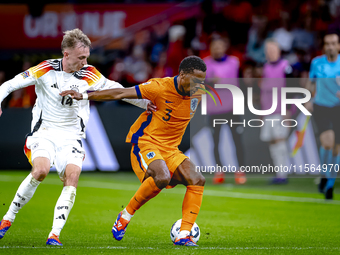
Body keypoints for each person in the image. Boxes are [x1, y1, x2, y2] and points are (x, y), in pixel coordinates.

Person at [0, 28, 153, 245]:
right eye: (81, 57)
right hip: (44, 133)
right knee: (41, 171)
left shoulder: (89, 73)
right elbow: (10, 84)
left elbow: (117, 89)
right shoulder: (45, 69)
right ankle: (8, 219)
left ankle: (54, 234)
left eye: (87, 57)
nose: (85, 62)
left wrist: (145, 103)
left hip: (71, 137)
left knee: (72, 178)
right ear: (66, 54)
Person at [61, 56, 207, 246]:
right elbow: (120, 93)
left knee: (197, 179)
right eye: (195, 80)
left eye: (201, 81)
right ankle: (125, 216)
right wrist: (86, 95)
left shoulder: (199, 93)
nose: (198, 84)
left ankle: (184, 235)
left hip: (171, 149)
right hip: (146, 142)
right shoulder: (159, 87)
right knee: (161, 177)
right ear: (182, 75)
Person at [203, 37, 246, 185]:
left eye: (220, 46)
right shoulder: (205, 64)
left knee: (237, 140)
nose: (217, 49)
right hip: (214, 109)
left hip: (232, 108)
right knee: (216, 142)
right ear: (210, 48)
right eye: (215, 46)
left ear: (224, 47)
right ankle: (219, 172)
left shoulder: (234, 62)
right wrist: (210, 82)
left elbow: (242, 82)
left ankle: (240, 172)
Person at [307, 33, 340, 200]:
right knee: (327, 143)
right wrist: (308, 99)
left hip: (338, 108)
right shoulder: (317, 63)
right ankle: (324, 174)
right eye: (327, 44)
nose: (330, 47)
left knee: (337, 149)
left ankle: (329, 184)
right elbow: (311, 83)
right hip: (321, 107)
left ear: (338, 46)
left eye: (333, 43)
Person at [260, 39, 293, 184]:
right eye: (268, 50)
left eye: (272, 50)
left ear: (278, 51)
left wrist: (288, 109)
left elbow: (291, 88)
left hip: (281, 110)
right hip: (268, 111)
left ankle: (283, 173)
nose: (270, 53)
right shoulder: (265, 68)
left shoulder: (286, 67)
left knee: (280, 140)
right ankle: (278, 172)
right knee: (272, 141)